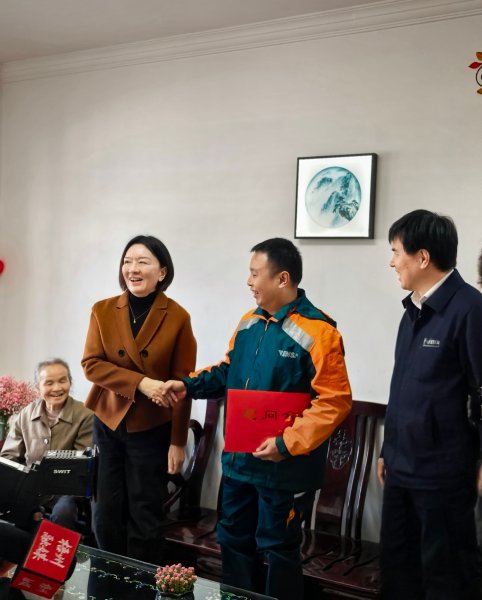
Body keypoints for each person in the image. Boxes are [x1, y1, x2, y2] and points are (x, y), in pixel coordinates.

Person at [160, 237, 352, 600]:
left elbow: (334, 401)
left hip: (284, 469)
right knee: (232, 541)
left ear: (282, 278)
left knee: (278, 549)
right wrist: (187, 385)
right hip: (239, 464)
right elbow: (227, 371)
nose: (248, 281)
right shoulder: (248, 323)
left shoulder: (320, 332)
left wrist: (286, 443)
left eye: (254, 273)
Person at [377, 210, 482, 599]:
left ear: (422, 257)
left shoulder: (470, 309)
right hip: (401, 470)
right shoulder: (412, 311)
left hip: (443, 476)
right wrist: (387, 450)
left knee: (444, 578)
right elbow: (403, 389)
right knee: (397, 573)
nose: (392, 262)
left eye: (396, 252)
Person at [81, 234, 196, 563]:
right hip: (108, 421)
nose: (132, 269)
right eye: (127, 261)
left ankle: (138, 584)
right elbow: (91, 365)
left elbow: (183, 385)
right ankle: (106, 581)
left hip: (152, 428)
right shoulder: (103, 310)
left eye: (142, 262)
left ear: (162, 272)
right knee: (104, 512)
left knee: (145, 517)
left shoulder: (178, 317)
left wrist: (178, 441)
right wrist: (141, 383)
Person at [0, 358, 93, 531]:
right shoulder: (25, 414)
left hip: (65, 491)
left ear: (70, 382)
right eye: (49, 383)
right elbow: (8, 457)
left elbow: (82, 464)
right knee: (17, 513)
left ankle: (61, 549)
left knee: (64, 513)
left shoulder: (85, 414)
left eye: (62, 381)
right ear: (38, 387)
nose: (57, 388)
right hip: (29, 487)